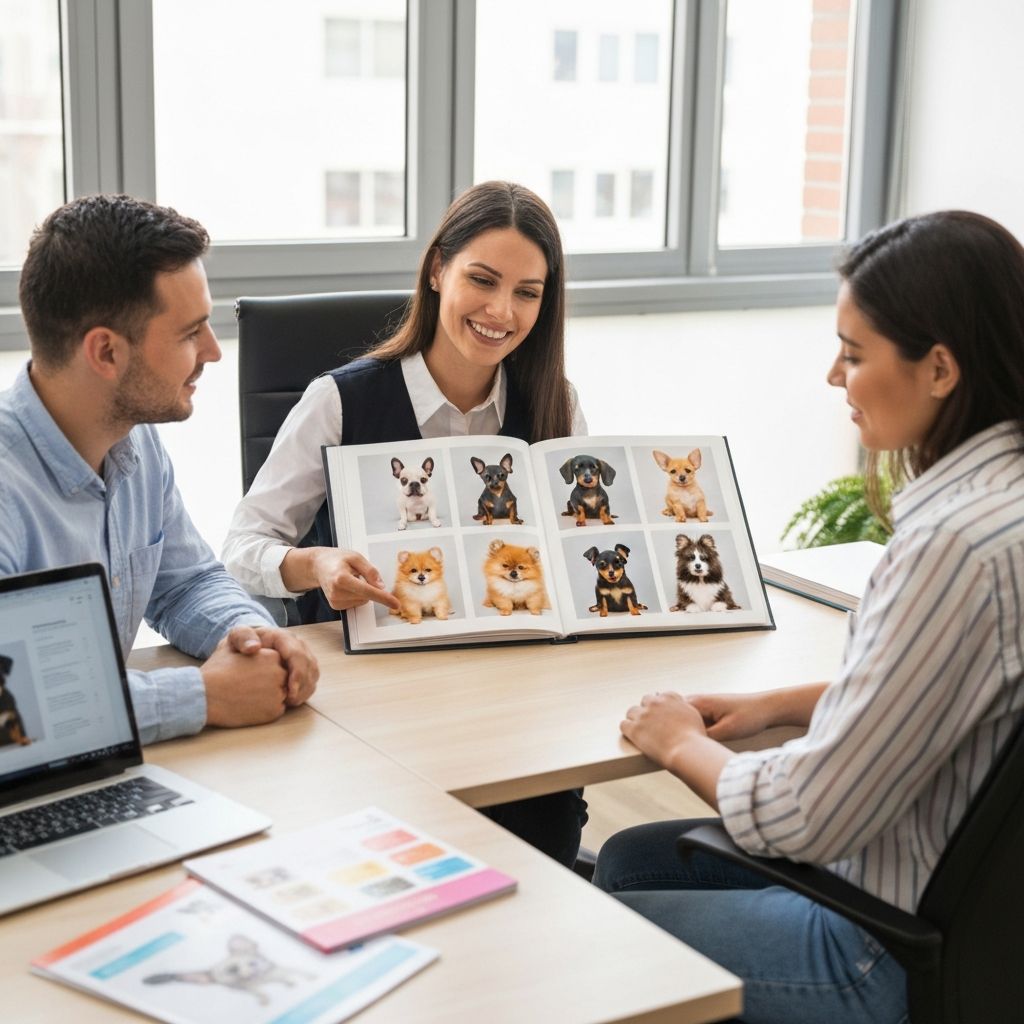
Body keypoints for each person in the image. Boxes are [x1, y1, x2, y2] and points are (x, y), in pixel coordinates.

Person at [593, 210, 1024, 1024]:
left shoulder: (953, 547)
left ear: (939, 368)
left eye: (854, 354)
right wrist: (779, 705)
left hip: (881, 951)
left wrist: (677, 743)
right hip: (976, 923)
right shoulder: (1003, 506)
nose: (834, 377)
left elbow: (808, 816)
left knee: (594, 928)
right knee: (629, 857)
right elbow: (946, 700)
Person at [222, 180, 588, 866]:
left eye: (527, 292)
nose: (502, 311)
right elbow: (242, 546)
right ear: (437, 269)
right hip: (375, 702)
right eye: (482, 280)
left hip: (514, 704)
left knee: (535, 856)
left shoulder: (554, 404)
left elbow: (573, 552)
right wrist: (315, 564)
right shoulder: (338, 400)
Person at [1, 194, 319, 746]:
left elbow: (186, 584)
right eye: (191, 332)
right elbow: (12, 710)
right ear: (106, 353)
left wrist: (255, 637)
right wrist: (203, 696)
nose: (214, 351)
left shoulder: (134, 441)